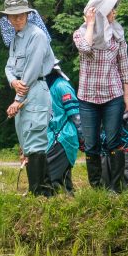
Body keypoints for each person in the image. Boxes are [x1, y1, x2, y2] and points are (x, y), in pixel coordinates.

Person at [73, 0, 128, 192]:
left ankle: (116, 188)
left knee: (114, 141)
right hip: (88, 98)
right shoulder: (80, 33)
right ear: (99, 13)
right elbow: (85, 47)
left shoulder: (118, 34)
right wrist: (90, 24)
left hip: (112, 95)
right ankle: (96, 188)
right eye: (110, 9)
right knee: (91, 144)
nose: (114, 11)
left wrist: (126, 95)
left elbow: (124, 65)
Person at [0, 0, 56, 196]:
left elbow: (31, 72)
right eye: (13, 16)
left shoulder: (37, 35)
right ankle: (44, 191)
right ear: (8, 18)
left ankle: (39, 191)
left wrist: (17, 100)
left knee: (35, 141)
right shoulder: (15, 38)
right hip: (22, 91)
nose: (17, 19)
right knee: (27, 142)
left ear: (27, 14)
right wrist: (12, 81)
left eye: (21, 15)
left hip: (36, 90)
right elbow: (9, 66)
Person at [45, 65, 80, 193]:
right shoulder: (46, 87)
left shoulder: (62, 86)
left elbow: (76, 115)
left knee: (49, 177)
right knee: (64, 180)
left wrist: (82, 137)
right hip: (51, 136)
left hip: (64, 136)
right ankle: (68, 199)